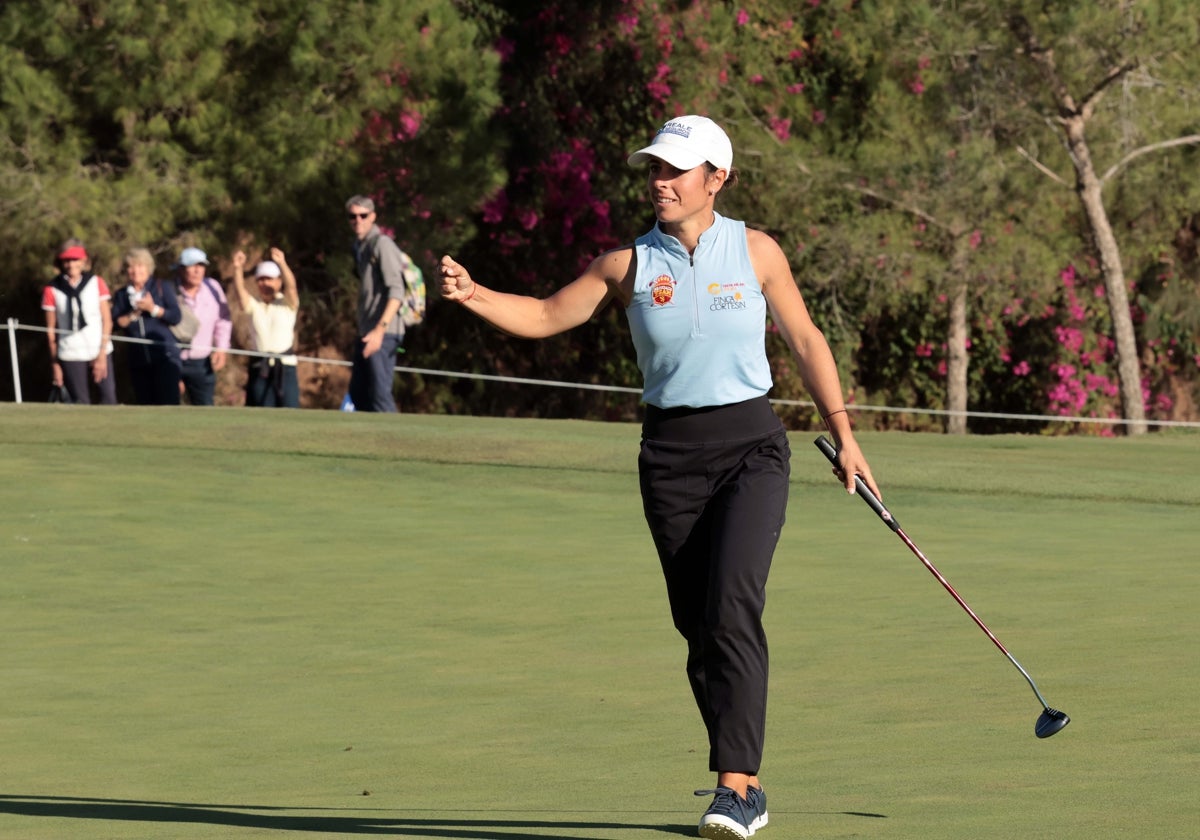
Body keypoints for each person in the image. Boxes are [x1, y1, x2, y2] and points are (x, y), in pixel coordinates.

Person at [438, 115, 879, 840]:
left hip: (752, 450)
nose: (660, 181)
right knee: (698, 625)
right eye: (655, 168)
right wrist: (475, 294)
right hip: (669, 458)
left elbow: (805, 337)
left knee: (732, 603)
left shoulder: (757, 251)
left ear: (718, 178)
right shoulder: (628, 264)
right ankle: (751, 785)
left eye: (677, 170)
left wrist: (845, 434)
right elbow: (549, 315)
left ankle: (733, 787)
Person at [346, 195, 408, 412]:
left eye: (363, 215)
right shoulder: (360, 246)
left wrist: (380, 331)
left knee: (380, 396)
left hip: (385, 331)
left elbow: (397, 291)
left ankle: (395, 444)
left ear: (373, 216)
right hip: (367, 329)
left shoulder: (382, 244)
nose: (358, 220)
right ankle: (368, 443)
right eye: (353, 216)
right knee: (359, 393)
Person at [41, 239, 117, 404]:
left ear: (84, 261)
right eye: (67, 260)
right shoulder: (52, 289)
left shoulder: (96, 283)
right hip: (70, 352)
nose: (71, 264)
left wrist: (102, 354)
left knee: (109, 399)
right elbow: (51, 331)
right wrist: (55, 365)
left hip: (99, 348)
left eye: (75, 259)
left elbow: (107, 320)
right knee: (80, 402)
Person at [111, 247, 184, 405]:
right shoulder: (122, 294)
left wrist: (153, 309)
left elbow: (176, 316)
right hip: (138, 361)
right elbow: (114, 323)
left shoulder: (161, 287)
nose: (136, 270)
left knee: (168, 404)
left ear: (148, 268)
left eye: (140, 265)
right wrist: (132, 315)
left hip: (165, 357)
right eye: (131, 266)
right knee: (145, 406)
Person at [230, 247, 301, 408]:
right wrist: (237, 268)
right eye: (261, 279)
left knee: (291, 413)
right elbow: (240, 291)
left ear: (279, 281)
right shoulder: (254, 305)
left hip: (286, 367)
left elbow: (292, 287)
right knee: (260, 414)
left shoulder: (287, 303)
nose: (265, 283)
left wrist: (282, 263)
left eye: (270, 279)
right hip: (259, 366)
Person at [174, 246, 232, 406]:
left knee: (205, 410)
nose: (197, 271)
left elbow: (223, 319)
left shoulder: (213, 287)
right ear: (181, 269)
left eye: (201, 266)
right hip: (173, 361)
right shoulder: (170, 291)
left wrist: (221, 348)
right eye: (191, 266)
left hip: (202, 363)